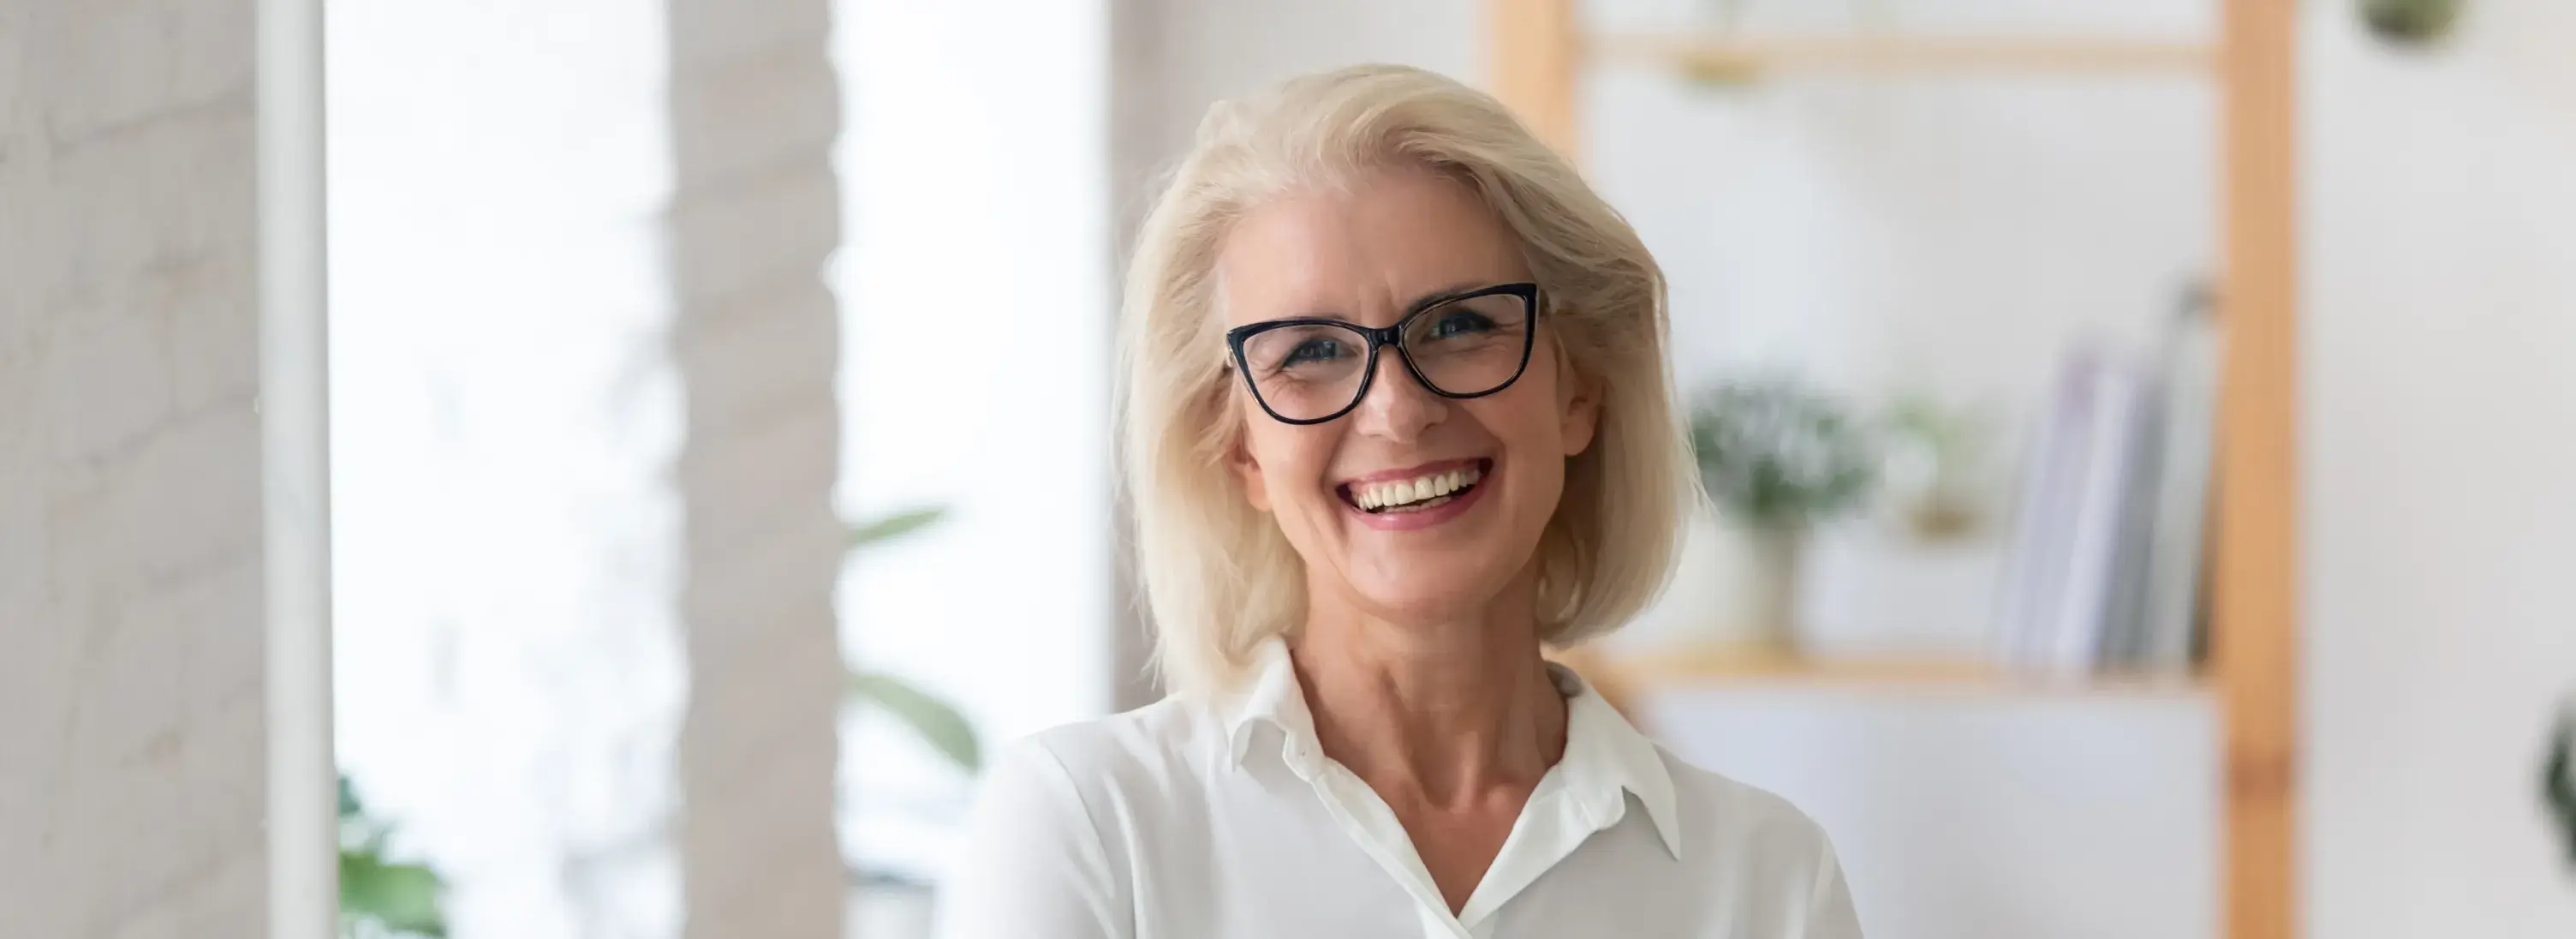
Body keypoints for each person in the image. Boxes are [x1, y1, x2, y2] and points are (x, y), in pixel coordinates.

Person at [940, 63, 1863, 938]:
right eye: (1309, 351)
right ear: (1240, 447)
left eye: (1458, 325)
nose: (1397, 410)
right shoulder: (1092, 827)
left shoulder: (1765, 878)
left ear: (1578, 388)